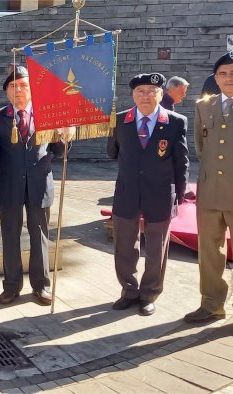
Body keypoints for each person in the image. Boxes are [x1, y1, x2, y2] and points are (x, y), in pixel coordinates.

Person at [107, 72, 189, 316]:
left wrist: (180, 194)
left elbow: (181, 162)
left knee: (156, 248)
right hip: (127, 192)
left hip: (161, 193)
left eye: (151, 91)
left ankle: (149, 294)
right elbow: (112, 152)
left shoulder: (175, 122)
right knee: (124, 246)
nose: (146, 96)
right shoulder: (120, 120)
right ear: (133, 95)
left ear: (161, 94)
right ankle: (129, 290)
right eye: (140, 92)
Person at [0, 66, 69, 307]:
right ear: (6, 92)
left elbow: (59, 152)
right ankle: (11, 286)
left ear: (32, 90)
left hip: (39, 185)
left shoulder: (49, 115)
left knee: (40, 236)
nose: (19, 90)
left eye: (23, 86)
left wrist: (64, 136)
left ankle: (41, 285)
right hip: (7, 187)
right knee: (10, 237)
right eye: (13, 86)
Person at [184, 52, 233, 323]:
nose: (228, 78)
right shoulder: (205, 106)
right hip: (210, 190)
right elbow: (201, 148)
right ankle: (212, 304)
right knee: (210, 251)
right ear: (215, 78)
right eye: (223, 74)